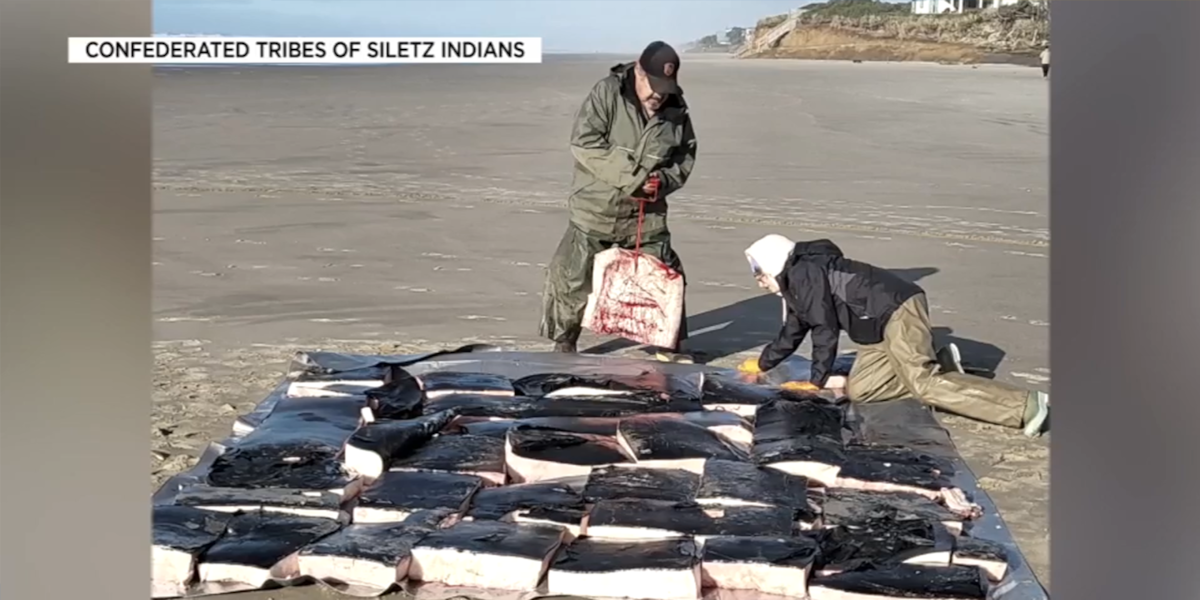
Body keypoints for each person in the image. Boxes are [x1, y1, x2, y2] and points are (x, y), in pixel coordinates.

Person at [737, 234, 1050, 437]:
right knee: (862, 391)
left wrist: (815, 381)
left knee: (923, 384)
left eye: (760, 274)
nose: (759, 282)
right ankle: (938, 363)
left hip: (898, 310)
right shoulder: (797, 283)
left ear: (775, 265)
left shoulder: (805, 276)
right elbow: (794, 329)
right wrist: (763, 364)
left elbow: (824, 330)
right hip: (876, 329)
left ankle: (1026, 406)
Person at [538, 41, 698, 360]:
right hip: (594, 207)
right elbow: (585, 143)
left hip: (647, 215)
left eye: (666, 88)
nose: (658, 95)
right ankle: (564, 341)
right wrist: (634, 178)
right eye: (654, 86)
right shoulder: (607, 93)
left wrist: (663, 181)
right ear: (638, 71)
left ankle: (668, 343)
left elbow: (684, 155)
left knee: (665, 275)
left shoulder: (677, 109)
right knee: (572, 278)